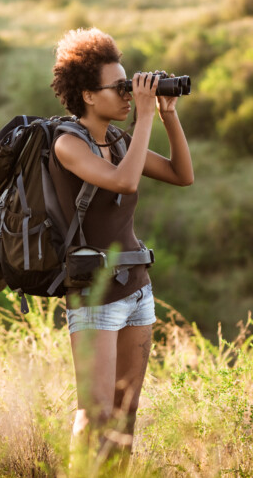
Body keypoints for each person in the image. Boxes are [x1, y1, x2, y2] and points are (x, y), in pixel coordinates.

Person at [48, 28, 193, 464]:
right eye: (120, 87)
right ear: (89, 96)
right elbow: (124, 181)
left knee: (126, 415)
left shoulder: (120, 140)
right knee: (95, 415)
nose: (130, 94)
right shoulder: (68, 143)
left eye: (130, 85)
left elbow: (182, 174)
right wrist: (145, 115)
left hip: (136, 290)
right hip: (94, 295)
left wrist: (166, 113)